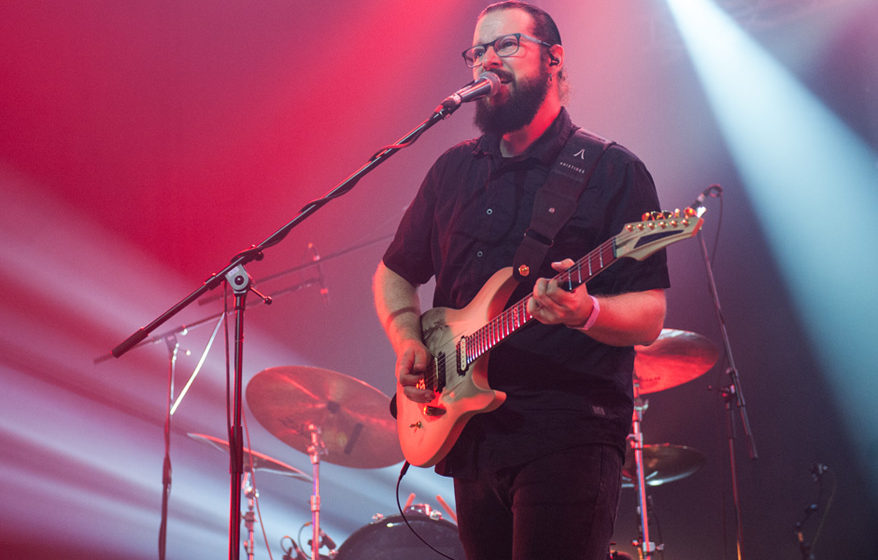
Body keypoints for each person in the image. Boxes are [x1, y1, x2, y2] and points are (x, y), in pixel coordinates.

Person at [372, 2, 669, 559]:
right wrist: (409, 342)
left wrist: (588, 313)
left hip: (568, 432)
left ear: (554, 59)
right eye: (478, 51)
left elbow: (650, 314)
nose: (487, 60)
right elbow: (394, 273)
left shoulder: (611, 171)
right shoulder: (453, 170)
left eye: (506, 45)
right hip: (470, 429)